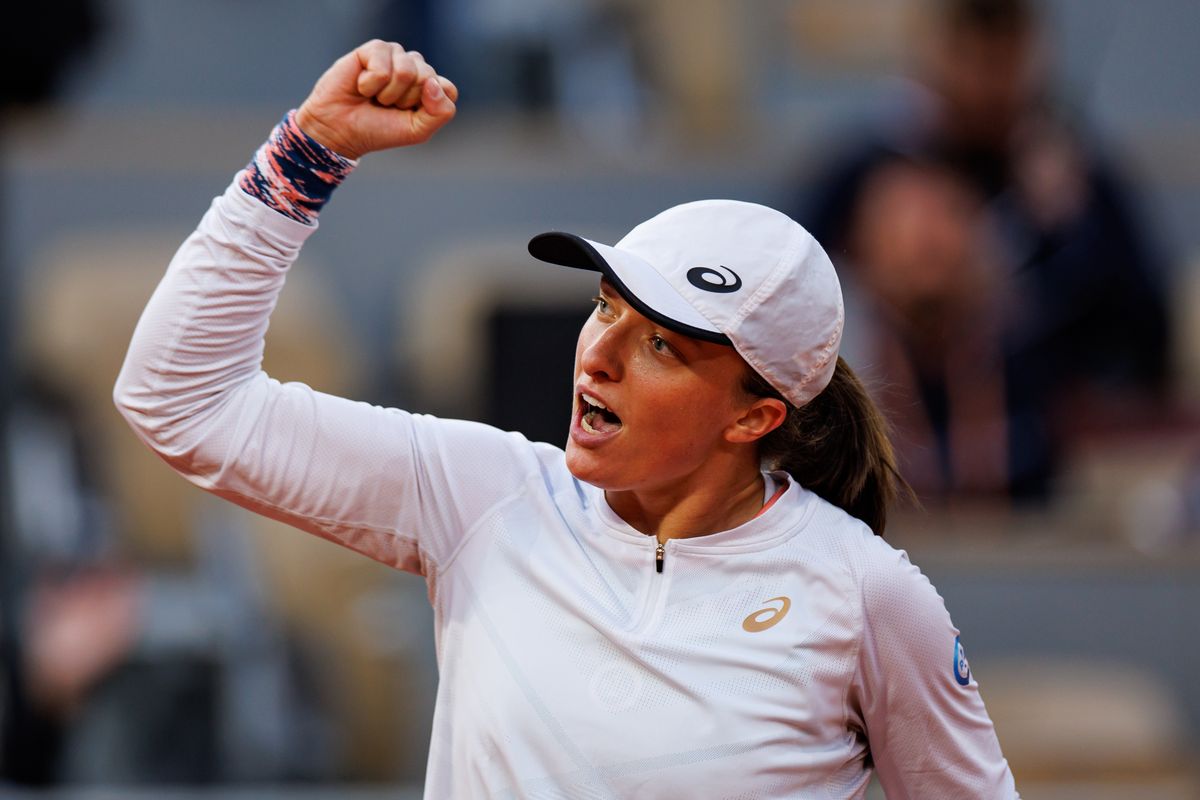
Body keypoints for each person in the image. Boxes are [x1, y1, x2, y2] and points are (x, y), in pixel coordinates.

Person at [114, 40, 1018, 798]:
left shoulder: (869, 596)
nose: (599, 353)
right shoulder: (481, 497)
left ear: (756, 418)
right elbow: (181, 399)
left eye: (664, 345)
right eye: (607, 307)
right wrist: (307, 153)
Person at [796, 0, 1172, 502]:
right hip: (890, 426)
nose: (984, 81)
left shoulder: (1074, 181)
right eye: (969, 55)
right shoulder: (863, 170)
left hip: (1035, 448)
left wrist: (1069, 236)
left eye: (1003, 59)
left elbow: (1145, 341)